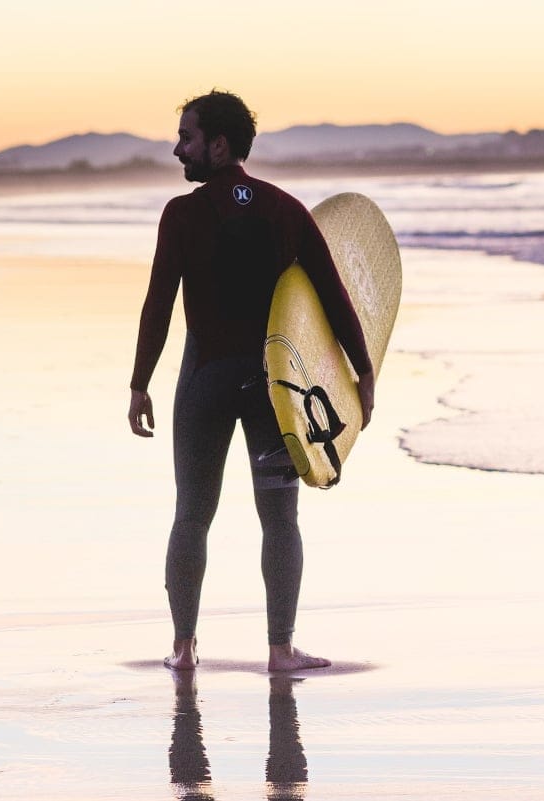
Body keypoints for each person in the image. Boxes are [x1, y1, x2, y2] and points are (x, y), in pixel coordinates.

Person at [127, 90, 375, 672]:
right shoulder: (285, 210)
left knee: (192, 513)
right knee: (280, 517)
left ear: (218, 144)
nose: (176, 148)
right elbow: (334, 299)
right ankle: (280, 650)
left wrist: (140, 383)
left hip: (204, 383)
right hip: (272, 391)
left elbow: (158, 304)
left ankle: (184, 650)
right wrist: (361, 370)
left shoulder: (182, 215)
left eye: (186, 137)